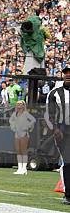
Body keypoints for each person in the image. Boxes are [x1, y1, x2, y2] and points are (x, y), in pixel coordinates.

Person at [45, 66, 70, 204]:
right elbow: (49, 114)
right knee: (67, 162)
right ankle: (68, 194)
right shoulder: (54, 93)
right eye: (66, 73)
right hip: (63, 132)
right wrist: (55, 129)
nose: (68, 75)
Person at [9, 100, 35, 175]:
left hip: (24, 133)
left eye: (20, 104)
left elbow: (33, 120)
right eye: (17, 104)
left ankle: (24, 168)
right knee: (18, 150)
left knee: (23, 151)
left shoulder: (26, 113)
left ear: (23, 105)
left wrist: (27, 127)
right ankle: (20, 168)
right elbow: (10, 121)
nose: (18, 105)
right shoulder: (15, 114)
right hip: (17, 133)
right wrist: (13, 127)